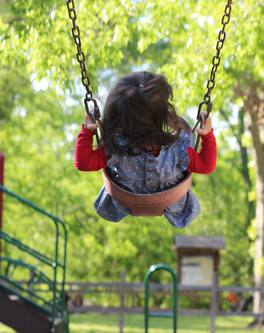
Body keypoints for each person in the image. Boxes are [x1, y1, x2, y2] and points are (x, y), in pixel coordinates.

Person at [74, 71, 217, 228]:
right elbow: (206, 166)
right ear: (164, 116)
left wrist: (87, 131)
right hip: (175, 206)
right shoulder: (178, 149)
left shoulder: (117, 147)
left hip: (121, 204)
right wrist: (207, 135)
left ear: (117, 117)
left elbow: (83, 163)